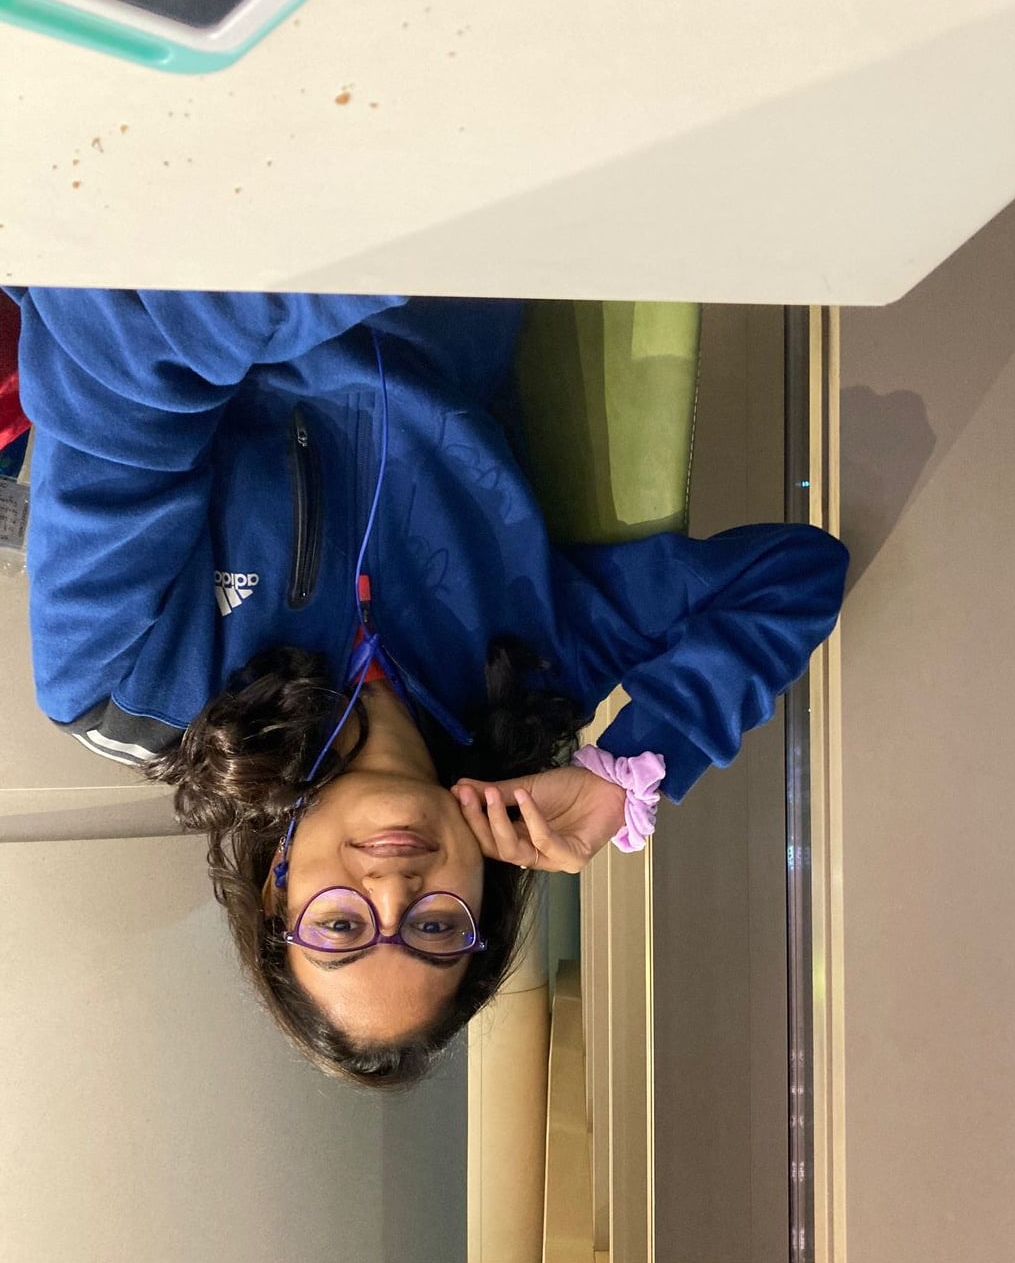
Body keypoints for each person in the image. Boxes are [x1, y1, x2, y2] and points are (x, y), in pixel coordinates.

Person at [5, 287, 849, 1089]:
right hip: (452, 265)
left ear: (275, 892)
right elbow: (793, 576)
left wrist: (361, 258)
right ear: (485, 902)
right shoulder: (532, 675)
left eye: (341, 926)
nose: (393, 892)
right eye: (436, 928)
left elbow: (113, 353)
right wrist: (631, 770)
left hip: (237, 244)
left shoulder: (123, 683)